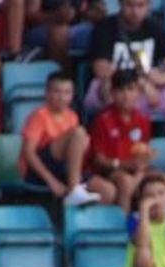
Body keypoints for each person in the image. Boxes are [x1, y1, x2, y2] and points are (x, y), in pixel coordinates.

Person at [85, 0, 165, 115]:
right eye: (129, 4)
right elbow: (101, 69)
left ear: (148, 5)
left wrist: (161, 78)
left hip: (152, 89)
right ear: (119, 2)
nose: (134, 11)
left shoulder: (156, 27)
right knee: (106, 86)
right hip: (118, 88)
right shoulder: (105, 27)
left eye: (140, 5)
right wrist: (140, 84)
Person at [20, 70, 110, 206]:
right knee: (79, 133)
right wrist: (52, 182)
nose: (62, 97)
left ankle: (82, 223)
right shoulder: (39, 116)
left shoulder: (72, 116)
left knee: (107, 190)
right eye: (57, 92)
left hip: (64, 170)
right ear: (47, 93)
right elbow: (29, 153)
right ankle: (75, 189)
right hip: (39, 171)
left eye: (67, 92)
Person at [87, 68, 154, 211]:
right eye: (121, 90)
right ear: (112, 93)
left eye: (131, 89)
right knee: (125, 181)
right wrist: (123, 165)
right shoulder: (102, 120)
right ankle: (125, 226)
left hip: (136, 170)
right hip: (110, 171)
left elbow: (143, 154)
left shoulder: (143, 120)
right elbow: (99, 161)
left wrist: (140, 170)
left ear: (138, 93)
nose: (126, 95)